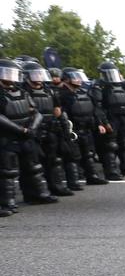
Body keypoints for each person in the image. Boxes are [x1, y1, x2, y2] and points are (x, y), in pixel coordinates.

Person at [0, 59, 59, 215]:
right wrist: (20, 130)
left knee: (33, 167)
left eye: (11, 73)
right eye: (6, 72)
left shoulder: (22, 91)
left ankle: (38, 195)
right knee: (8, 171)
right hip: (7, 137)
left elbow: (35, 112)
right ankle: (7, 203)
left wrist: (32, 128)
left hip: (26, 135)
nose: (9, 77)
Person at [21, 61, 74, 197]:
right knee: (33, 164)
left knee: (53, 160)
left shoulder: (49, 90)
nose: (38, 77)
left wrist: (62, 126)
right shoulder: (23, 91)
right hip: (32, 130)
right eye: (35, 74)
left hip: (50, 128)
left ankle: (56, 186)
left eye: (40, 74)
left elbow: (57, 109)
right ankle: (33, 193)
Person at [58, 67, 110, 186]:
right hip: (72, 130)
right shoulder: (61, 94)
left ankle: (92, 176)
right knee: (72, 156)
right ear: (66, 79)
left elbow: (94, 110)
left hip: (86, 128)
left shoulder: (84, 92)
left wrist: (99, 124)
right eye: (75, 77)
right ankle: (73, 181)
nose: (78, 80)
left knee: (88, 154)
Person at [91, 62, 125, 177]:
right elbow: (98, 107)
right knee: (110, 145)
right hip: (110, 117)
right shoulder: (99, 86)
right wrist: (104, 122)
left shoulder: (120, 86)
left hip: (123, 118)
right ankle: (111, 171)